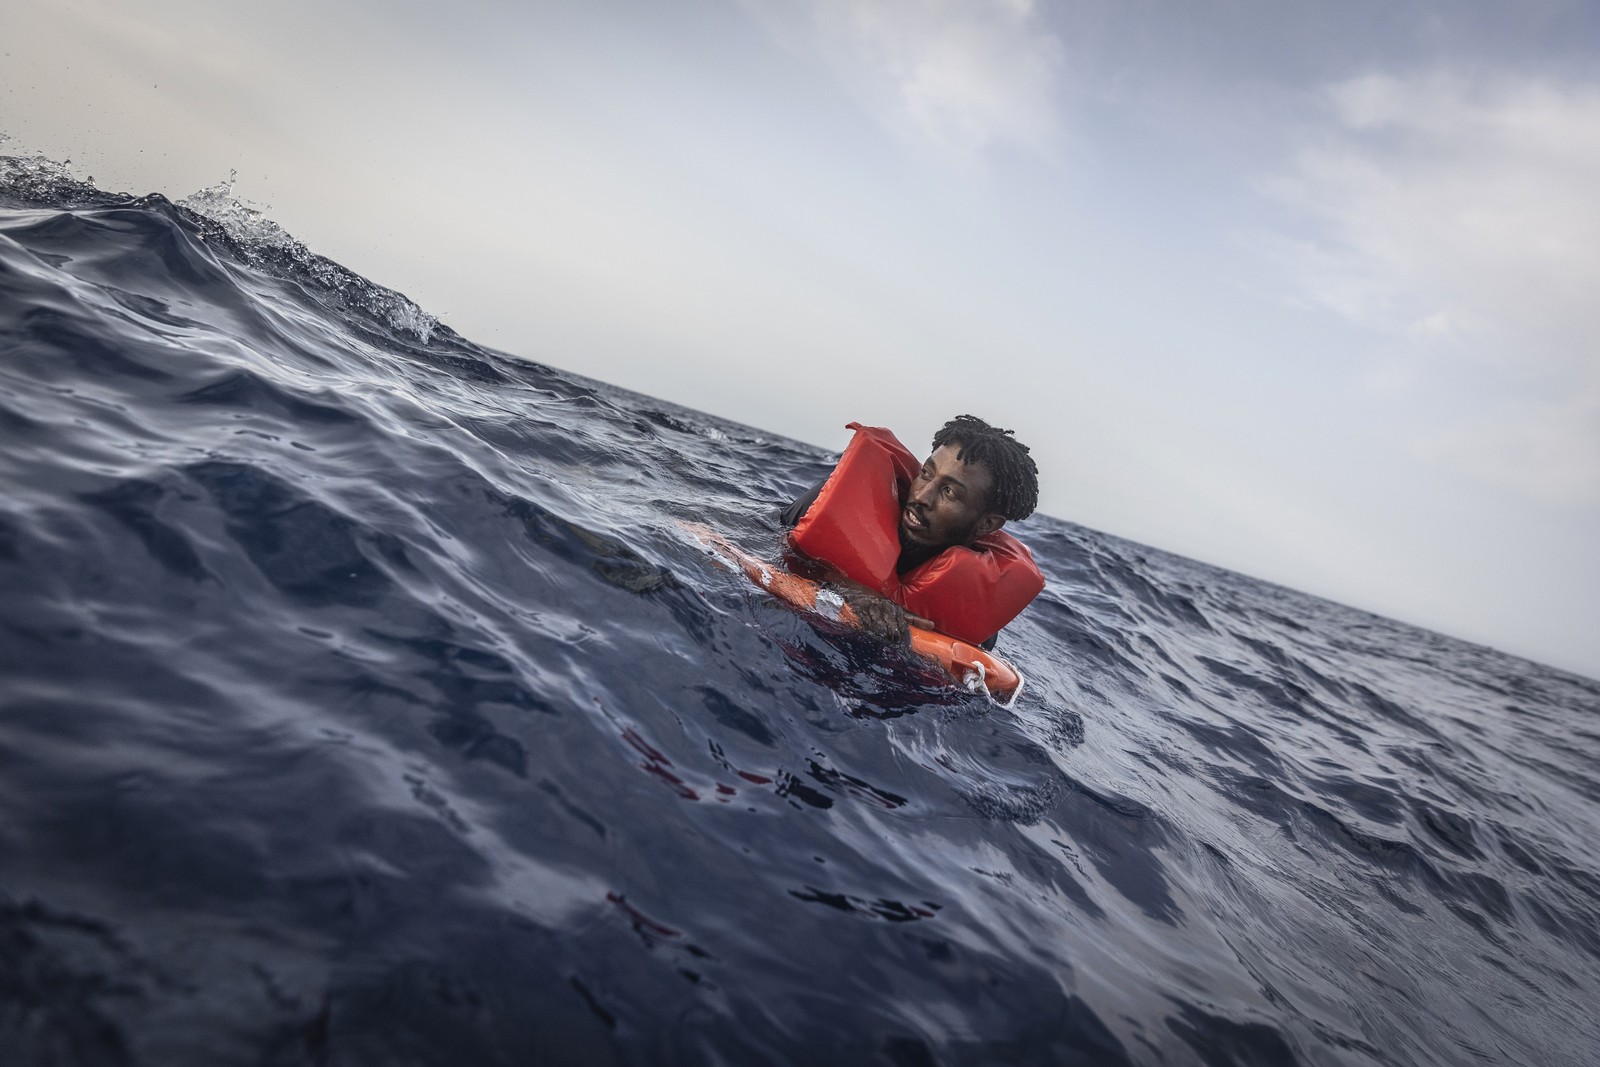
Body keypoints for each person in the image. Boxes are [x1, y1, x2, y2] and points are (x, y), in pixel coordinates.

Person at [778, 415, 1043, 648]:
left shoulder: (977, 611)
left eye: (949, 492)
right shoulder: (828, 504)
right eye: (926, 473)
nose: (921, 496)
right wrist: (841, 586)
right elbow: (755, 543)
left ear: (986, 525)